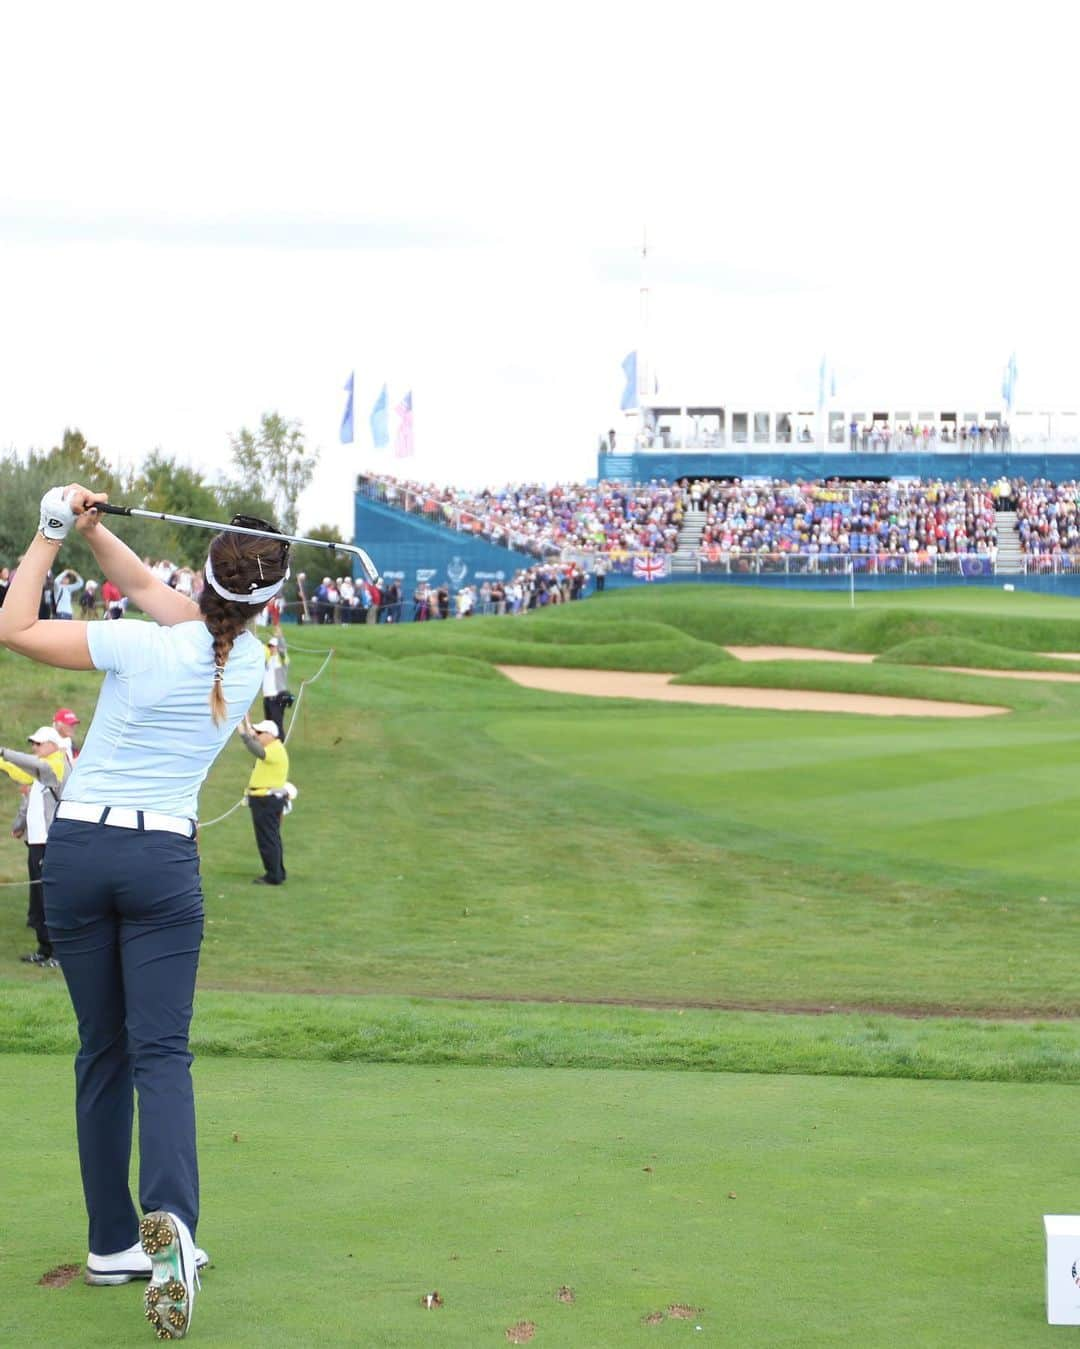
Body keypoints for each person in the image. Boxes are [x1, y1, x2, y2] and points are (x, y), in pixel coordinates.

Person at [0, 482, 291, 1335]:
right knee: (160, 1050)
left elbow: (14, 626)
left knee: (103, 1049)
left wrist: (53, 531)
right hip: (162, 860)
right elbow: (161, 593)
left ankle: (108, 1242)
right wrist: (95, 536)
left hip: (82, 854)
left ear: (202, 575)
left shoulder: (135, 643)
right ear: (263, 599)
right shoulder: (246, 662)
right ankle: (169, 1226)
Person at [0, 726, 69, 966]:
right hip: (36, 842)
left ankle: (59, 953)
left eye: (39, 744)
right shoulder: (40, 767)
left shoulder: (57, 763)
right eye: (34, 744)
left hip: (52, 843)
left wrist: (4, 752)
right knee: (38, 899)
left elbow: (36, 767)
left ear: (52, 744)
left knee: (51, 898)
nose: (35, 748)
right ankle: (44, 948)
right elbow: (21, 773)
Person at [238, 715, 289, 885]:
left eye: (260, 732)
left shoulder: (273, 748)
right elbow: (257, 744)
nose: (257, 735)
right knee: (272, 837)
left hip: (266, 800)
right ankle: (278, 872)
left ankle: (273, 875)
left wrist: (244, 736)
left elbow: (257, 750)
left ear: (270, 734)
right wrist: (247, 730)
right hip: (265, 799)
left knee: (267, 839)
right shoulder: (273, 747)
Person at [261, 632, 290, 738]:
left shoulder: (282, 661)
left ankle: (280, 747)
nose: (271, 648)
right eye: (270, 646)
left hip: (277, 698)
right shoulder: (267, 660)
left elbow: (283, 652)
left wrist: (280, 637)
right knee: (268, 727)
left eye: (273, 646)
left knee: (277, 726)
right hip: (267, 699)